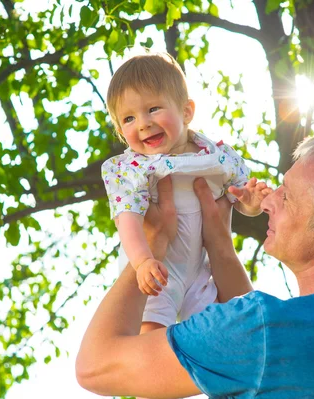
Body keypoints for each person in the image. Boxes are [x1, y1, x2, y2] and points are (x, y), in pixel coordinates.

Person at [78, 131, 314, 398]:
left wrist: (153, 244)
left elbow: (95, 366)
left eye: (288, 197)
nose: (268, 202)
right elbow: (278, 358)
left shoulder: (261, 331)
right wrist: (219, 246)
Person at [101, 52, 271, 333]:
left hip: (200, 271)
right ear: (120, 131)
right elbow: (127, 219)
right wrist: (143, 261)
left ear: (186, 111)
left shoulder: (217, 155)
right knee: (152, 337)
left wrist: (252, 204)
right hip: (156, 266)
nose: (143, 123)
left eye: (153, 109)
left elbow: (237, 194)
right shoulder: (131, 167)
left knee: (217, 333)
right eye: (129, 118)